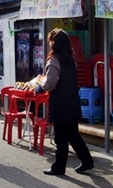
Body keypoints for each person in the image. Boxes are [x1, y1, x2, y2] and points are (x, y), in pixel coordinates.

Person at [36, 28, 94, 176]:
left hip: (60, 103)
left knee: (61, 137)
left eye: (51, 40)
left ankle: (59, 167)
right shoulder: (70, 60)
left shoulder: (54, 60)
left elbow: (51, 83)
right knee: (73, 134)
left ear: (54, 43)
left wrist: (40, 87)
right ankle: (87, 160)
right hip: (72, 101)